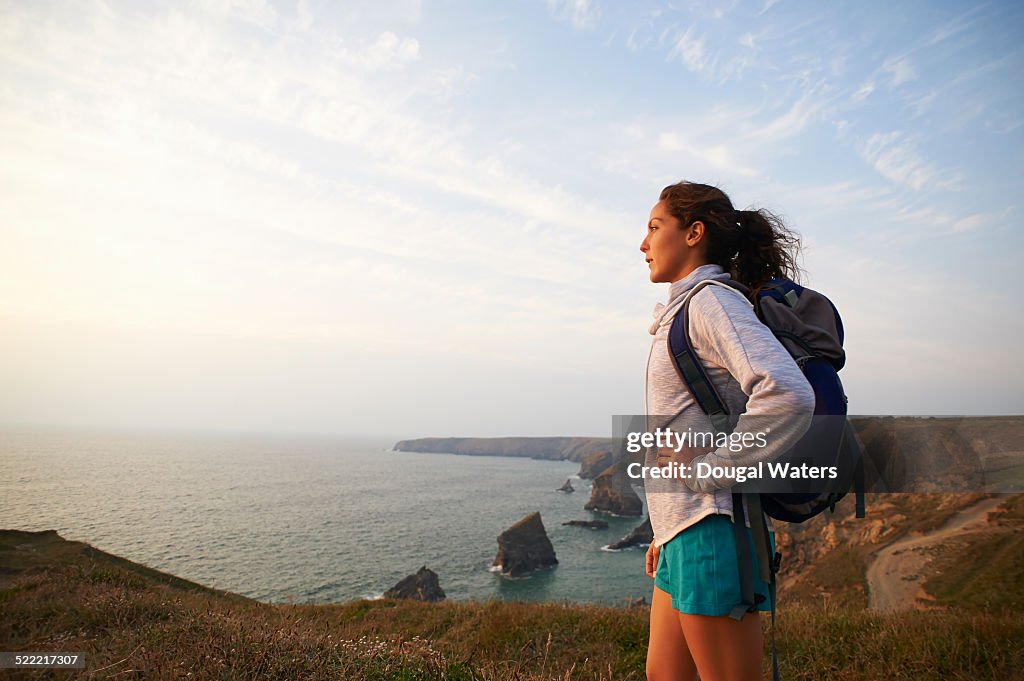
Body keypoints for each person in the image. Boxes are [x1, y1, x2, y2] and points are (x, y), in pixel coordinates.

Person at [639, 181, 816, 681]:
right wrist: (664, 529)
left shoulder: (712, 303)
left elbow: (787, 394)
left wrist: (708, 473)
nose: (643, 244)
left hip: (711, 529)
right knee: (664, 675)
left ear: (693, 233)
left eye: (655, 228)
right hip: (684, 529)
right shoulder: (681, 310)